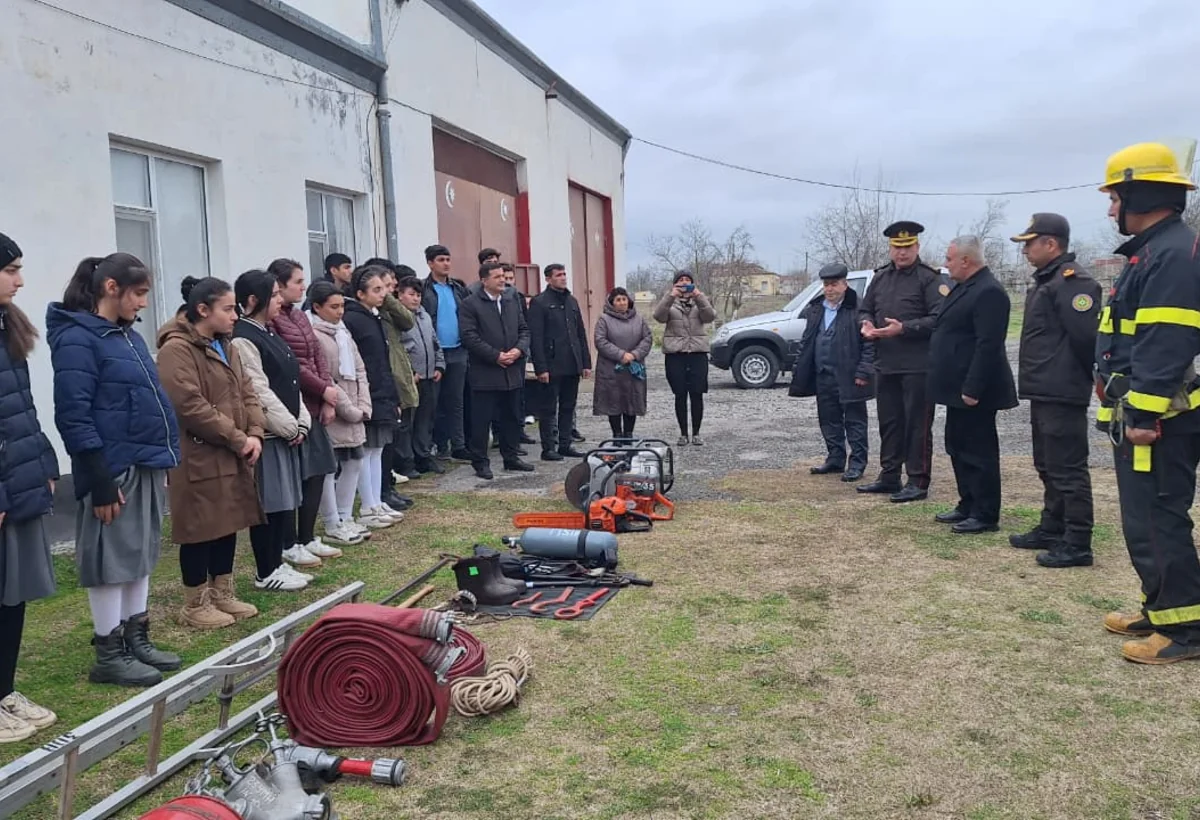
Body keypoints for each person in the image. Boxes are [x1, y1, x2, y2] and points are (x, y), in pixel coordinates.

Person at [48, 254, 183, 686]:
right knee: (111, 560)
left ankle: (134, 636)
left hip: (142, 460)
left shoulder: (126, 336)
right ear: (111, 288)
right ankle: (108, 650)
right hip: (112, 466)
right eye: (139, 293)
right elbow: (73, 414)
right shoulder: (78, 339)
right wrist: (99, 479)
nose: (144, 303)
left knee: (138, 554)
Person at [1094, 142, 1200, 664]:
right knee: (1145, 519)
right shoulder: (1153, 251)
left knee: (1160, 517)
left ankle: (1186, 630)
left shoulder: (1172, 255)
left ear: (1140, 192)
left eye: (1115, 197)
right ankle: (1161, 610)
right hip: (1148, 414)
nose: (1111, 209)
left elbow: (1165, 342)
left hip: (1161, 421)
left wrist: (1143, 413)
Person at [157, 277, 266, 628]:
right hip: (200, 452)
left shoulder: (227, 346)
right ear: (203, 310)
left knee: (228, 521)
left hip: (234, 448)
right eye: (228, 309)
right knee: (201, 526)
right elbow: (190, 405)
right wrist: (238, 438)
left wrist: (255, 431)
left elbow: (247, 393)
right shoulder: (177, 349)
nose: (235, 315)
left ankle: (223, 592)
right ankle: (195, 602)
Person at [1007, 214, 1101, 568]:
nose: (1025, 251)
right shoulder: (1046, 281)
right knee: (1047, 464)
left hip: (1062, 390)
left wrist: (1081, 378)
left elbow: (1086, 340)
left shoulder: (1074, 283)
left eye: (1029, 244)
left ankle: (1078, 542)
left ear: (1051, 243)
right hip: (1044, 389)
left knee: (1068, 470)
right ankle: (1052, 528)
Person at [0, 234, 60, 739]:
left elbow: (22, 406)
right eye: (11, 270)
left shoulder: (6, 329)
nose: (20, 281)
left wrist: (44, 459)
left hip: (18, 477)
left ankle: (5, 688)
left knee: (11, 593)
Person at [230, 270, 320, 593]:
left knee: (285, 501)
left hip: (287, 430)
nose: (280, 300)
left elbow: (291, 380)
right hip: (269, 433)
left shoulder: (267, 332)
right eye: (274, 295)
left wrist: (302, 420)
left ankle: (279, 561)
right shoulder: (243, 338)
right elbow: (258, 389)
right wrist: (287, 425)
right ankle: (265, 570)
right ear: (254, 300)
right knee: (269, 504)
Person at [928, 236, 1017, 534]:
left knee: (979, 452)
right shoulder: (963, 288)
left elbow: (988, 345)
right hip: (956, 389)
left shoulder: (989, 292)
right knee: (957, 446)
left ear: (966, 260)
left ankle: (985, 513)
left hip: (975, 391)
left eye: (950, 258)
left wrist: (973, 388)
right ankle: (967, 503)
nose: (945, 263)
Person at [858, 220, 948, 503]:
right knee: (890, 423)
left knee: (917, 425)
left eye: (907, 247)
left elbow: (939, 319)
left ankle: (918, 480)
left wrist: (905, 328)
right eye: (897, 247)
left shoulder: (930, 278)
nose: (902, 253)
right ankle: (889, 476)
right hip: (886, 363)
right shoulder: (881, 278)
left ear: (917, 247)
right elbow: (864, 309)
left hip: (918, 366)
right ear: (890, 248)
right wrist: (866, 324)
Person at [267, 259, 342, 564]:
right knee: (292, 478)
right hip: (292, 406)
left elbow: (316, 354)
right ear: (279, 285)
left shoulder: (299, 316)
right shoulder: (273, 322)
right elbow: (290, 364)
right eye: (297, 281)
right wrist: (323, 389)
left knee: (319, 469)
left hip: (315, 403)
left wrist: (327, 395)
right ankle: (289, 542)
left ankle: (307, 536)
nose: (302, 286)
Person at [788, 263, 875, 482]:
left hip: (850, 375)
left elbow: (870, 345)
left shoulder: (859, 308)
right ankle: (835, 459)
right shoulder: (816, 308)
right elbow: (807, 342)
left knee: (855, 421)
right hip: (823, 374)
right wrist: (800, 368)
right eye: (826, 285)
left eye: (834, 284)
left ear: (845, 284)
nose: (829, 289)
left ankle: (857, 464)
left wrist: (864, 372)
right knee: (828, 419)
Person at [307, 281, 373, 545]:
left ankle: (346, 515)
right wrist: (348, 408)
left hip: (356, 405)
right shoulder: (315, 335)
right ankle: (332, 520)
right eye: (333, 307)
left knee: (354, 460)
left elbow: (360, 370)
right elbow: (326, 377)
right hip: (334, 409)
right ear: (317, 307)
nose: (340, 312)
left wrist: (364, 405)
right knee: (329, 466)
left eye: (342, 305)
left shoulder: (344, 333)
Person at [341, 265, 404, 528]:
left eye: (384, 289)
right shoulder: (354, 320)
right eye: (376, 290)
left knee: (377, 451)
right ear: (360, 293)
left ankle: (376, 501)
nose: (383, 295)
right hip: (367, 394)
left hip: (382, 391)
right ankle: (367, 505)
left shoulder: (375, 316)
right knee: (366, 452)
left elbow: (383, 361)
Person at [459, 261, 533, 479]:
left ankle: (510, 457)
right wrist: (495, 356)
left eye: (503, 275)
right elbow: (469, 336)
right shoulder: (470, 304)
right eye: (497, 276)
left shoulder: (511, 300)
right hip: (485, 373)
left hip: (512, 371)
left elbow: (524, 330)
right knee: (482, 420)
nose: (502, 279)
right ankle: (480, 462)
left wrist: (518, 351)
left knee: (511, 416)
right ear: (484, 280)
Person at [527, 263, 592, 461]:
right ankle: (548, 448)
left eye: (564, 274)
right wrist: (541, 367)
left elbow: (580, 333)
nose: (563, 278)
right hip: (551, 365)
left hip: (572, 364)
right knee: (548, 409)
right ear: (548, 279)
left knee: (568, 406)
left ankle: (565, 444)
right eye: (558, 275)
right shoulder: (540, 303)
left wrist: (585, 362)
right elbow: (536, 338)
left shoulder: (571, 301)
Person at [368, 261, 418, 505]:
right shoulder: (365, 315)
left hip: (398, 371)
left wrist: (388, 300)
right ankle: (382, 490)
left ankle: (388, 485)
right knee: (384, 440)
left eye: (388, 287)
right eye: (383, 287)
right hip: (385, 380)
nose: (387, 292)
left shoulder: (386, 309)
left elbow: (408, 320)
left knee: (397, 432)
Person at [653, 271, 716, 446]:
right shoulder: (670, 302)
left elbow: (710, 316)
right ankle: (683, 434)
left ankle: (696, 433)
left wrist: (699, 296)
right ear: (674, 285)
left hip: (697, 353)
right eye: (680, 281)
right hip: (676, 355)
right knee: (680, 394)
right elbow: (658, 317)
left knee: (697, 394)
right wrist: (670, 296)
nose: (684, 283)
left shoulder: (700, 301)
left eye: (687, 280)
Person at [422, 245, 471, 461]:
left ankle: (458, 444)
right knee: (435, 401)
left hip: (458, 350)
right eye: (441, 259)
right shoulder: (424, 289)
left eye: (448, 259)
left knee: (457, 400)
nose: (446, 264)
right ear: (430, 263)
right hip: (435, 353)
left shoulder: (457, 288)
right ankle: (439, 444)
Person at [398, 276, 445, 475]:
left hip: (429, 376)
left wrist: (440, 365)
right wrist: (409, 373)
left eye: (418, 295)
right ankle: (406, 462)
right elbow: (399, 350)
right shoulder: (398, 318)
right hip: (412, 378)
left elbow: (435, 342)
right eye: (411, 295)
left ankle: (424, 457)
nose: (415, 299)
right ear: (400, 296)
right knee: (408, 422)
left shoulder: (424, 316)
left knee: (426, 420)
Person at [593, 287, 652, 438]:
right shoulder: (604, 320)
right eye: (618, 300)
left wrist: (634, 354)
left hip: (633, 367)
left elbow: (647, 338)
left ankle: (629, 434)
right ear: (612, 302)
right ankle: (617, 435)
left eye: (624, 299)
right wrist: (621, 355)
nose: (622, 303)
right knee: (614, 401)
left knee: (631, 400)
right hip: (612, 369)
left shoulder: (639, 319)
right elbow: (600, 341)